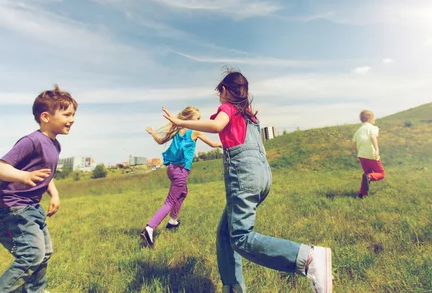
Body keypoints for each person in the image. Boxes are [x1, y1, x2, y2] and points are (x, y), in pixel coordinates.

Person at [162, 68, 333, 293]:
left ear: (224, 91)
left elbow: (215, 126)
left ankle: (309, 257)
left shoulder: (228, 108)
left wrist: (178, 121)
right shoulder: (250, 115)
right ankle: (232, 287)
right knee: (226, 233)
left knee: (241, 237)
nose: (219, 98)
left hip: (244, 177)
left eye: (219, 93)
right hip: (262, 176)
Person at [0, 85, 77, 293]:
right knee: (31, 256)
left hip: (30, 207)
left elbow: (45, 174)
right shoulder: (31, 141)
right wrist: (23, 176)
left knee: (44, 254)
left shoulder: (54, 144)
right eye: (67, 114)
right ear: (46, 116)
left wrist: (54, 193)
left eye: (73, 114)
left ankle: (34, 291)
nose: (72, 119)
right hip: (9, 209)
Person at [141, 106, 222, 247]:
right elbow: (213, 143)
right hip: (181, 171)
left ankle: (173, 221)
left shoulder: (177, 130)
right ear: (190, 119)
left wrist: (153, 133)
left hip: (171, 169)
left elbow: (160, 141)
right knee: (170, 201)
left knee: (183, 193)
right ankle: (150, 228)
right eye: (197, 119)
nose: (199, 121)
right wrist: (225, 144)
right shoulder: (195, 131)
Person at [352, 110, 385, 198]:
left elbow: (353, 143)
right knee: (381, 174)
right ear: (370, 118)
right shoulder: (373, 128)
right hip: (371, 155)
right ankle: (369, 177)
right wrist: (377, 150)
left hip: (362, 155)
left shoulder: (358, 130)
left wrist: (357, 152)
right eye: (373, 118)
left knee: (366, 173)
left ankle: (362, 194)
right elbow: (373, 137)